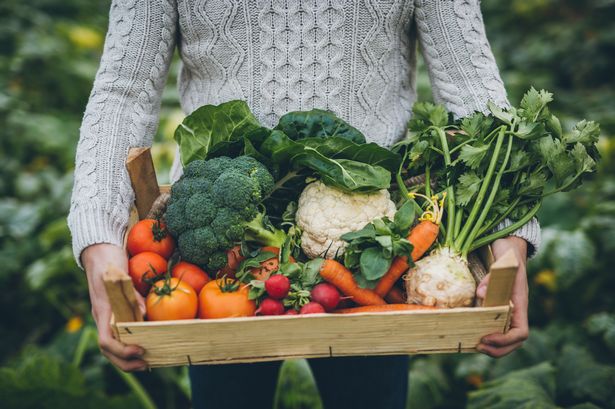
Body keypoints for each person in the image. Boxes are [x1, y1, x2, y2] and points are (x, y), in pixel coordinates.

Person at [68, 1, 540, 408]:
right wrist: (99, 238)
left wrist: (509, 236)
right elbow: (122, 91)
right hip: (221, 250)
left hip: (375, 250)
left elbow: (470, 81)